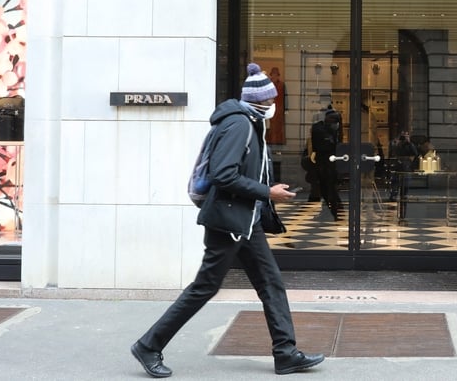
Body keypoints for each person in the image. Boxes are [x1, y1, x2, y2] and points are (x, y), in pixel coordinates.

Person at [130, 63, 324, 378]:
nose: (275, 105)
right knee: (205, 287)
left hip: (246, 222)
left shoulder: (248, 122)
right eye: (272, 100)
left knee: (271, 284)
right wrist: (267, 192)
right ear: (262, 102)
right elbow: (223, 174)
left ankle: (286, 354)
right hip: (230, 222)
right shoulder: (239, 126)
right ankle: (149, 345)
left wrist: (264, 197)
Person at [311, 107, 342, 220]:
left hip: (329, 162)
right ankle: (332, 211)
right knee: (327, 188)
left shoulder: (327, 128)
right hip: (325, 161)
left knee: (329, 188)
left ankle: (333, 211)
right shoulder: (320, 128)